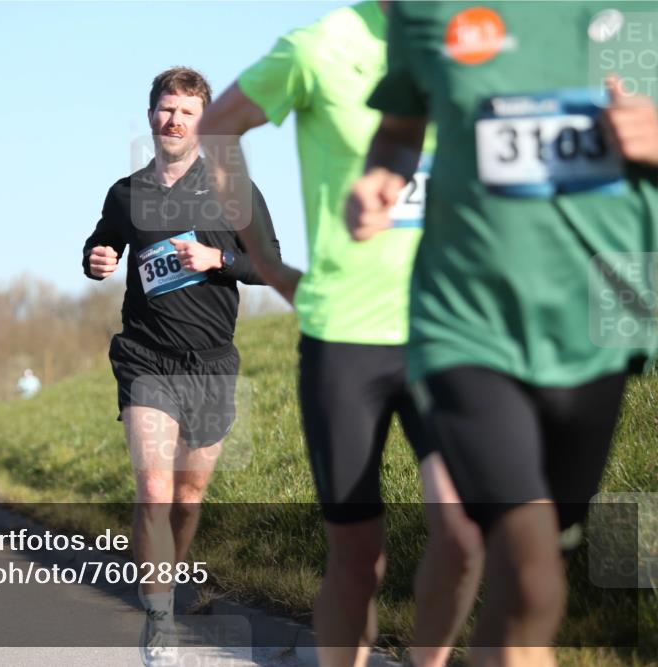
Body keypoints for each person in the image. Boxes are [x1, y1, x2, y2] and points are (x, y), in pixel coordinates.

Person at [345, 3, 657, 664]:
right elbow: (401, 126)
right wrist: (382, 174)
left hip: (602, 322)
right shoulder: (426, 11)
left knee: (535, 572)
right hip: (465, 319)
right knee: (533, 574)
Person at [198, 3, 485, 666]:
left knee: (465, 529)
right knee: (359, 561)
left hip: (453, 327)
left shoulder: (478, 37)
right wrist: (266, 262)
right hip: (346, 333)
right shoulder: (319, 46)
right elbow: (219, 129)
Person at [83, 66, 280, 667]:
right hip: (145, 357)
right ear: (151, 116)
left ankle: (173, 577)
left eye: (187, 112)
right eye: (166, 110)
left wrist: (218, 257)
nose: (174, 120)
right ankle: (160, 618)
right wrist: (95, 259)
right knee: (153, 489)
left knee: (188, 498)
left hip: (213, 363)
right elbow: (102, 242)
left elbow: (269, 264)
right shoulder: (126, 192)